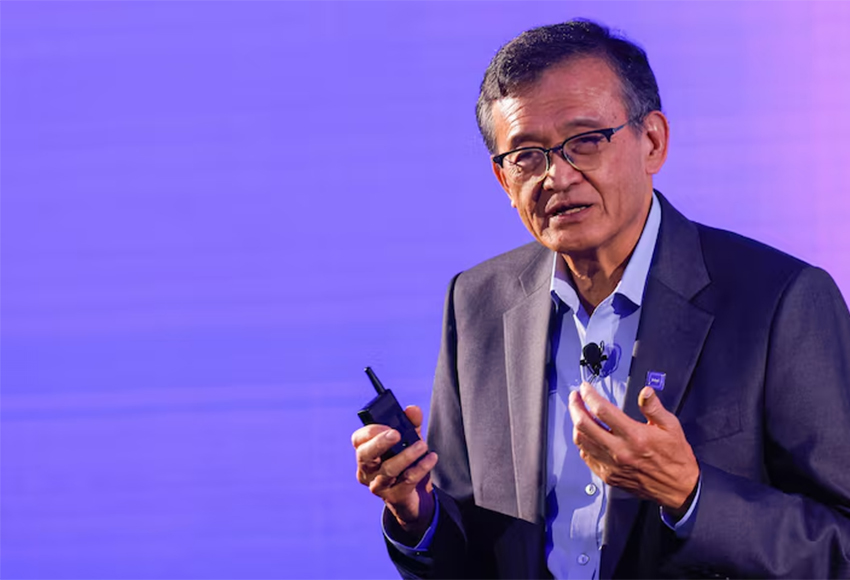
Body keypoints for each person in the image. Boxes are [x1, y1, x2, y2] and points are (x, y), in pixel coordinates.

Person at [352, 20, 850, 579]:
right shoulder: (476, 303)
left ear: (652, 142)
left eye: (586, 141)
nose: (556, 176)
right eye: (527, 155)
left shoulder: (780, 301)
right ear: (503, 180)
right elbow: (470, 548)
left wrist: (691, 496)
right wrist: (416, 514)